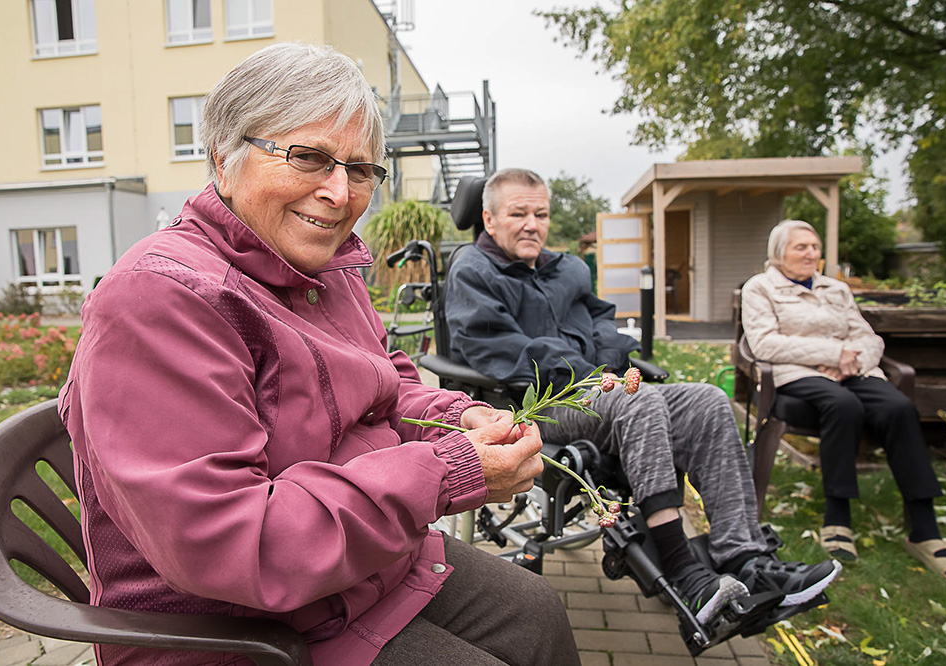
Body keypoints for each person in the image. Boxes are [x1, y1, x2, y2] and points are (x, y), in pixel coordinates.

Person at [57, 44, 581, 666]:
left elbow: (387, 388)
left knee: (538, 612)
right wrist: (444, 473)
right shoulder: (163, 297)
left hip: (352, 576)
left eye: (360, 170)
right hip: (233, 628)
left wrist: (458, 419)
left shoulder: (326, 271)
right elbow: (232, 544)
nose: (339, 193)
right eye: (308, 158)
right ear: (225, 157)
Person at [446, 168, 842, 626]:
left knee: (708, 400)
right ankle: (681, 567)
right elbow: (495, 344)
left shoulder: (567, 268)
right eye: (518, 214)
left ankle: (744, 557)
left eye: (541, 213)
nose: (532, 223)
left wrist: (610, 360)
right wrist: (593, 374)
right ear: (490, 220)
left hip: (600, 390)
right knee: (640, 400)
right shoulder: (472, 270)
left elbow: (601, 322)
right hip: (532, 405)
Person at [740, 219, 946, 580]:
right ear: (779, 253)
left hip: (854, 371)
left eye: (814, 247)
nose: (811, 254)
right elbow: (763, 343)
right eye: (801, 247)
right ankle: (837, 518)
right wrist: (830, 352)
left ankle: (924, 528)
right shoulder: (760, 288)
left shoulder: (835, 289)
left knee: (899, 408)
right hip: (798, 374)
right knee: (843, 407)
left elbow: (869, 337)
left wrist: (853, 359)